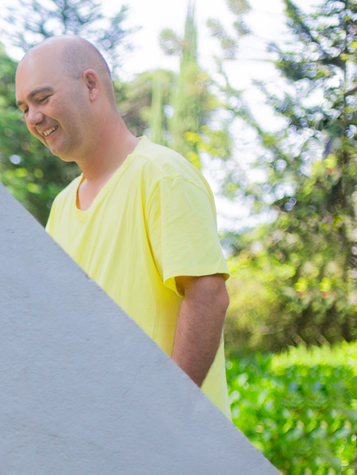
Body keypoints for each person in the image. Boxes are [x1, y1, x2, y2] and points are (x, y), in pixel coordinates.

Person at [14, 35, 232, 416]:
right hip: (104, 453)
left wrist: (166, 421)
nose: (32, 118)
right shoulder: (62, 207)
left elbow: (207, 297)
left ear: (91, 85)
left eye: (42, 99)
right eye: (24, 107)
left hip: (173, 458)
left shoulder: (163, 176)